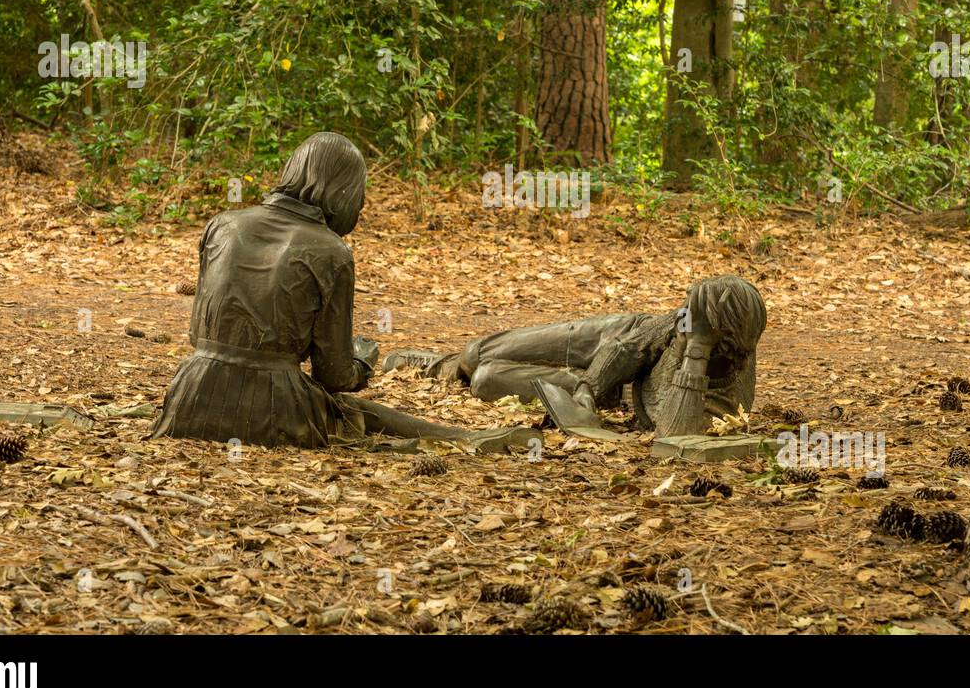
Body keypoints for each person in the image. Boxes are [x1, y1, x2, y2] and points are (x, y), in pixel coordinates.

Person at [152, 131, 537, 452]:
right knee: (358, 413)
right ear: (346, 191)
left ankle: (469, 438)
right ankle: (468, 438)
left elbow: (197, 335)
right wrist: (363, 362)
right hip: (272, 410)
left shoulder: (223, 224)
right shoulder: (332, 251)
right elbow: (334, 376)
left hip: (189, 396)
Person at [385, 275, 767, 437]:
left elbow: (675, 435)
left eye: (696, 322)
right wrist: (587, 389)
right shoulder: (682, 319)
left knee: (487, 378)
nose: (684, 318)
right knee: (475, 353)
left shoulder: (727, 400)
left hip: (619, 394)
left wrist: (696, 349)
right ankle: (441, 364)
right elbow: (626, 347)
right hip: (615, 338)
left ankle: (451, 369)